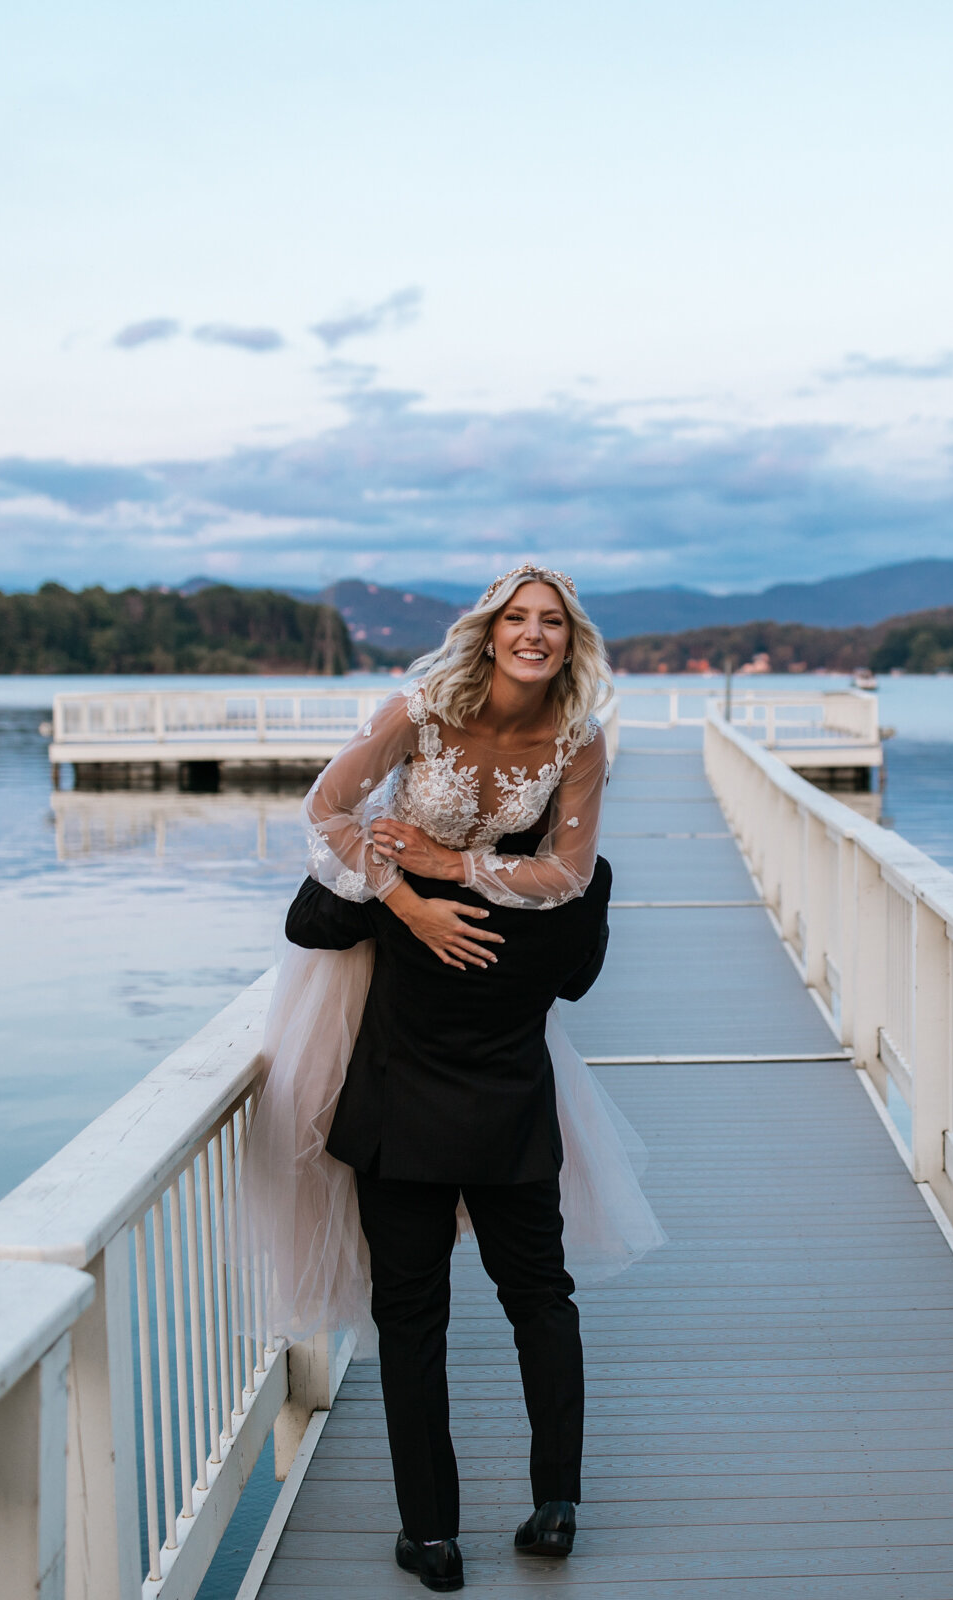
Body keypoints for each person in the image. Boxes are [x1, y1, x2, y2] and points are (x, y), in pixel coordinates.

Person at [249, 564, 664, 1593]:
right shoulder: (418, 712)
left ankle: (553, 1501)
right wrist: (405, 899)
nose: (533, 635)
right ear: (487, 633)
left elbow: (568, 873)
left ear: (569, 641)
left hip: (494, 1058)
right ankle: (430, 1531)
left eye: (551, 623)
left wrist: (455, 871)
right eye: (517, 619)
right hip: (413, 1047)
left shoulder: (578, 741)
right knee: (422, 1306)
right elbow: (326, 810)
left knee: (529, 1294)